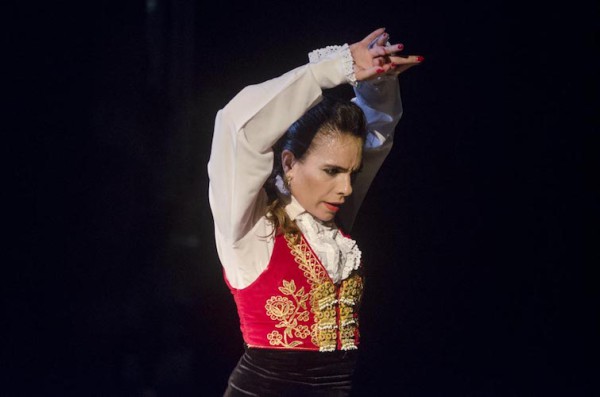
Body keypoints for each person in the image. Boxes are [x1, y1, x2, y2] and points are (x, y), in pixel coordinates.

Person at [208, 27, 423, 396]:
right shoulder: (249, 228)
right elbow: (237, 129)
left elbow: (377, 135)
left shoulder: (331, 225)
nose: (347, 188)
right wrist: (333, 69)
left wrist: (378, 80)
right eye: (331, 171)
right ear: (289, 164)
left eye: (351, 173)